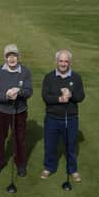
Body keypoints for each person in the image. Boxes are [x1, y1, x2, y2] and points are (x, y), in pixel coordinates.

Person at [41, 49, 85, 182]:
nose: (63, 64)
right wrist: (59, 99)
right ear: (56, 61)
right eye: (61, 61)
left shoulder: (76, 78)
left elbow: (81, 96)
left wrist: (71, 95)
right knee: (50, 145)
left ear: (70, 62)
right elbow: (45, 97)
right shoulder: (49, 77)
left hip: (70, 118)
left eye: (66, 61)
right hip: (52, 118)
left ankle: (72, 169)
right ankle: (49, 167)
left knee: (71, 146)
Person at [0, 44, 33, 176]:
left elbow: (29, 91)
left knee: (19, 138)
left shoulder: (25, 72)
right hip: (0, 111)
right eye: (9, 56)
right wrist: (7, 96)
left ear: (18, 57)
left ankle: (20, 163)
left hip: (19, 111)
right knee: (0, 137)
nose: (12, 59)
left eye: (14, 56)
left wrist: (18, 92)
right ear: (5, 57)